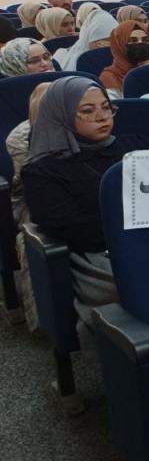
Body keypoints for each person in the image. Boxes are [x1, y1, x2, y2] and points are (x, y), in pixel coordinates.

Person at [22, 77, 143, 333]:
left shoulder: (132, 146)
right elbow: (68, 226)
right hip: (96, 254)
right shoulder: (42, 170)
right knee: (147, 281)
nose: (102, 117)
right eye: (88, 111)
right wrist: (132, 222)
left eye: (107, 107)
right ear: (62, 115)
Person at [7, 81, 50, 332]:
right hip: (30, 197)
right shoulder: (21, 136)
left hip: (76, 189)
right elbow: (35, 183)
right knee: (34, 232)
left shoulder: (86, 126)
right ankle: (46, 318)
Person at [100, 21, 149, 96]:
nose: (140, 43)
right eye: (133, 41)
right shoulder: (109, 77)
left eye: (145, 40)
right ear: (119, 45)